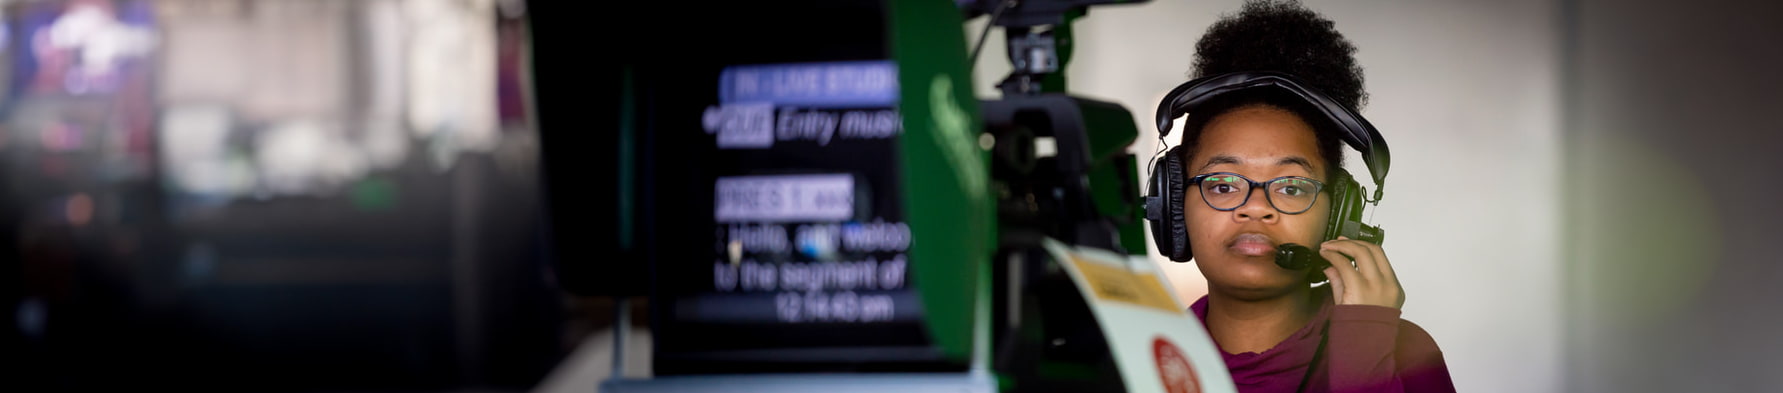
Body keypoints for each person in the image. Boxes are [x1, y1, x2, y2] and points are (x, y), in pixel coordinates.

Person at [1169, 1, 1455, 392]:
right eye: (1222, 184)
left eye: (1290, 187)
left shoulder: (1406, 352)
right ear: (1171, 202)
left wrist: (1364, 355)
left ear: (1338, 213)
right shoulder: (1135, 356)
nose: (1256, 208)